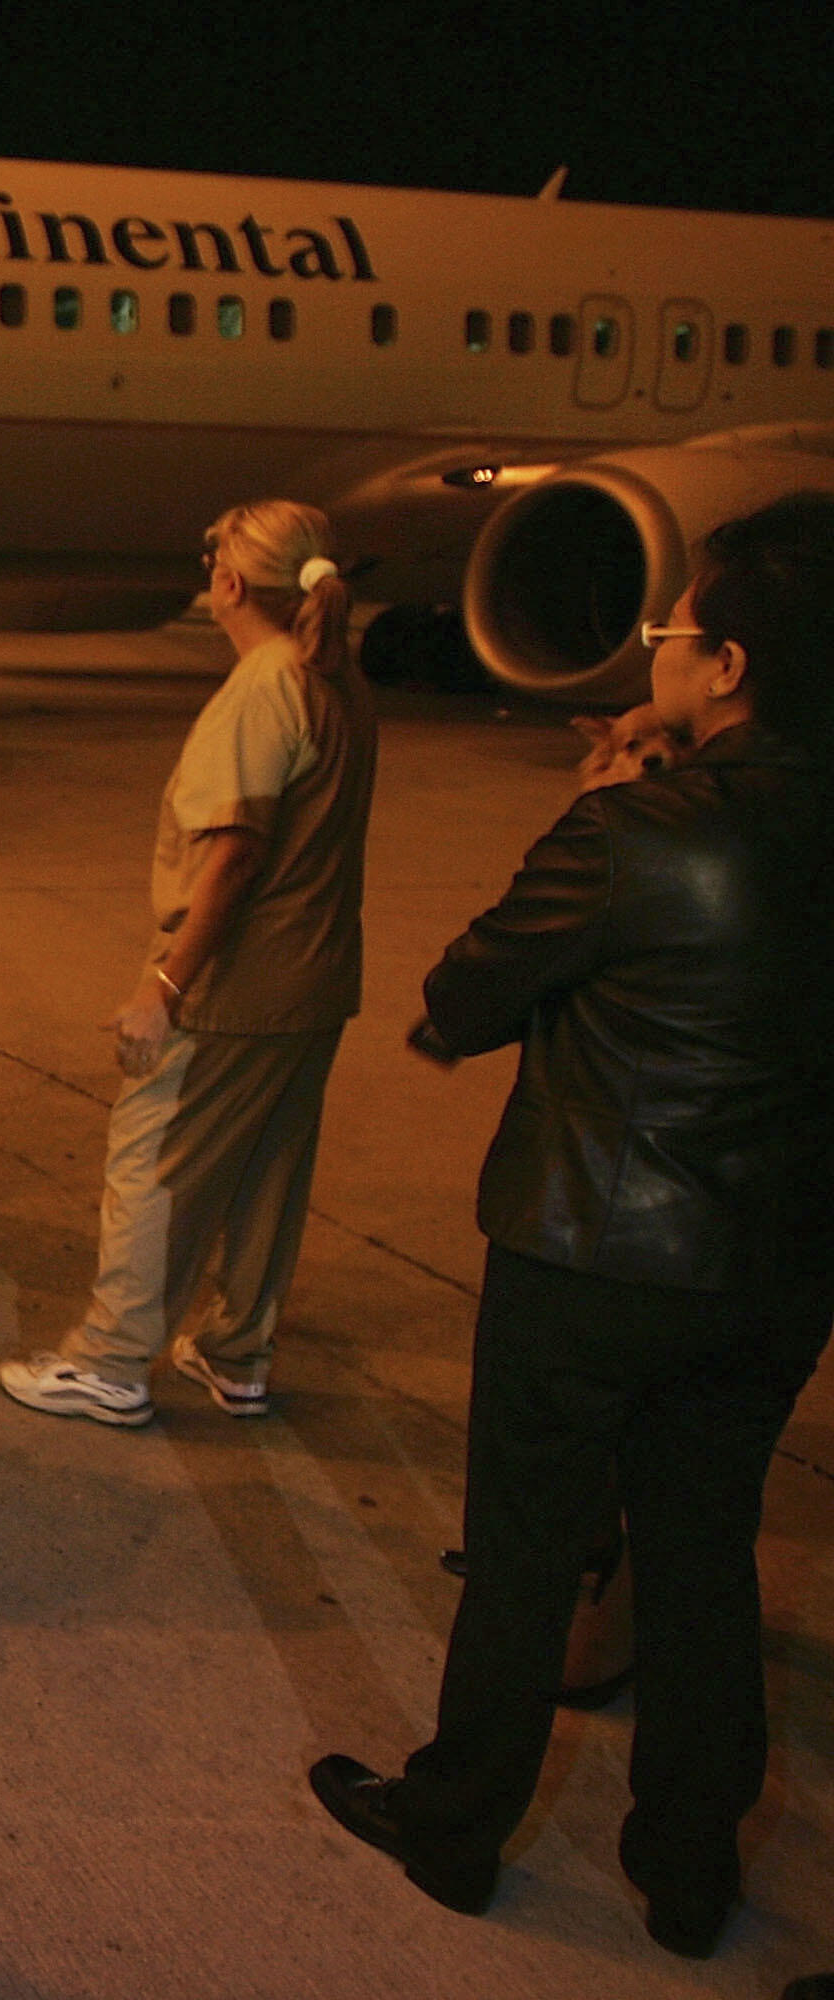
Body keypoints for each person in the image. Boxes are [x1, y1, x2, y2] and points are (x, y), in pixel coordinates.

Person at [310, 496, 834, 1961]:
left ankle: (460, 1824)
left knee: (530, 1550)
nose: (658, 644)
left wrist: (603, 800)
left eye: (674, 629)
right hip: (777, 1267)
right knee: (706, 1552)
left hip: (593, 1251)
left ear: (725, 666)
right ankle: (686, 1870)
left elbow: (463, 999)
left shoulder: (638, 828)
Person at [0, 501, 375, 1427]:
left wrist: (165, 988)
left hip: (236, 987)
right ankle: (238, 1351)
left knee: (155, 1163)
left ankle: (110, 1362)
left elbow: (234, 852)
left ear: (233, 582)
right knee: (265, 1180)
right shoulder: (336, 678)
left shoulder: (264, 686)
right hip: (315, 980)